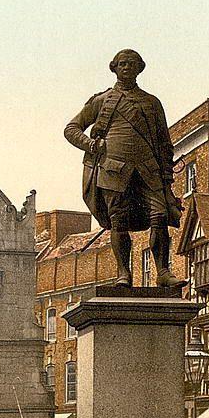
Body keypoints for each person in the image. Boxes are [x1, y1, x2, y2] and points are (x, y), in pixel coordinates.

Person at [64, 49, 186, 288]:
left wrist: (167, 177)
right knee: (118, 220)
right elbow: (71, 128)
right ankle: (123, 273)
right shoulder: (102, 101)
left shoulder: (151, 102)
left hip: (148, 170)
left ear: (140, 68)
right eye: (122, 64)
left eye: (132, 63)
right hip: (113, 170)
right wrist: (91, 144)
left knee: (160, 216)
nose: (127, 67)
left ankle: (163, 271)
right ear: (115, 68)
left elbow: (164, 142)